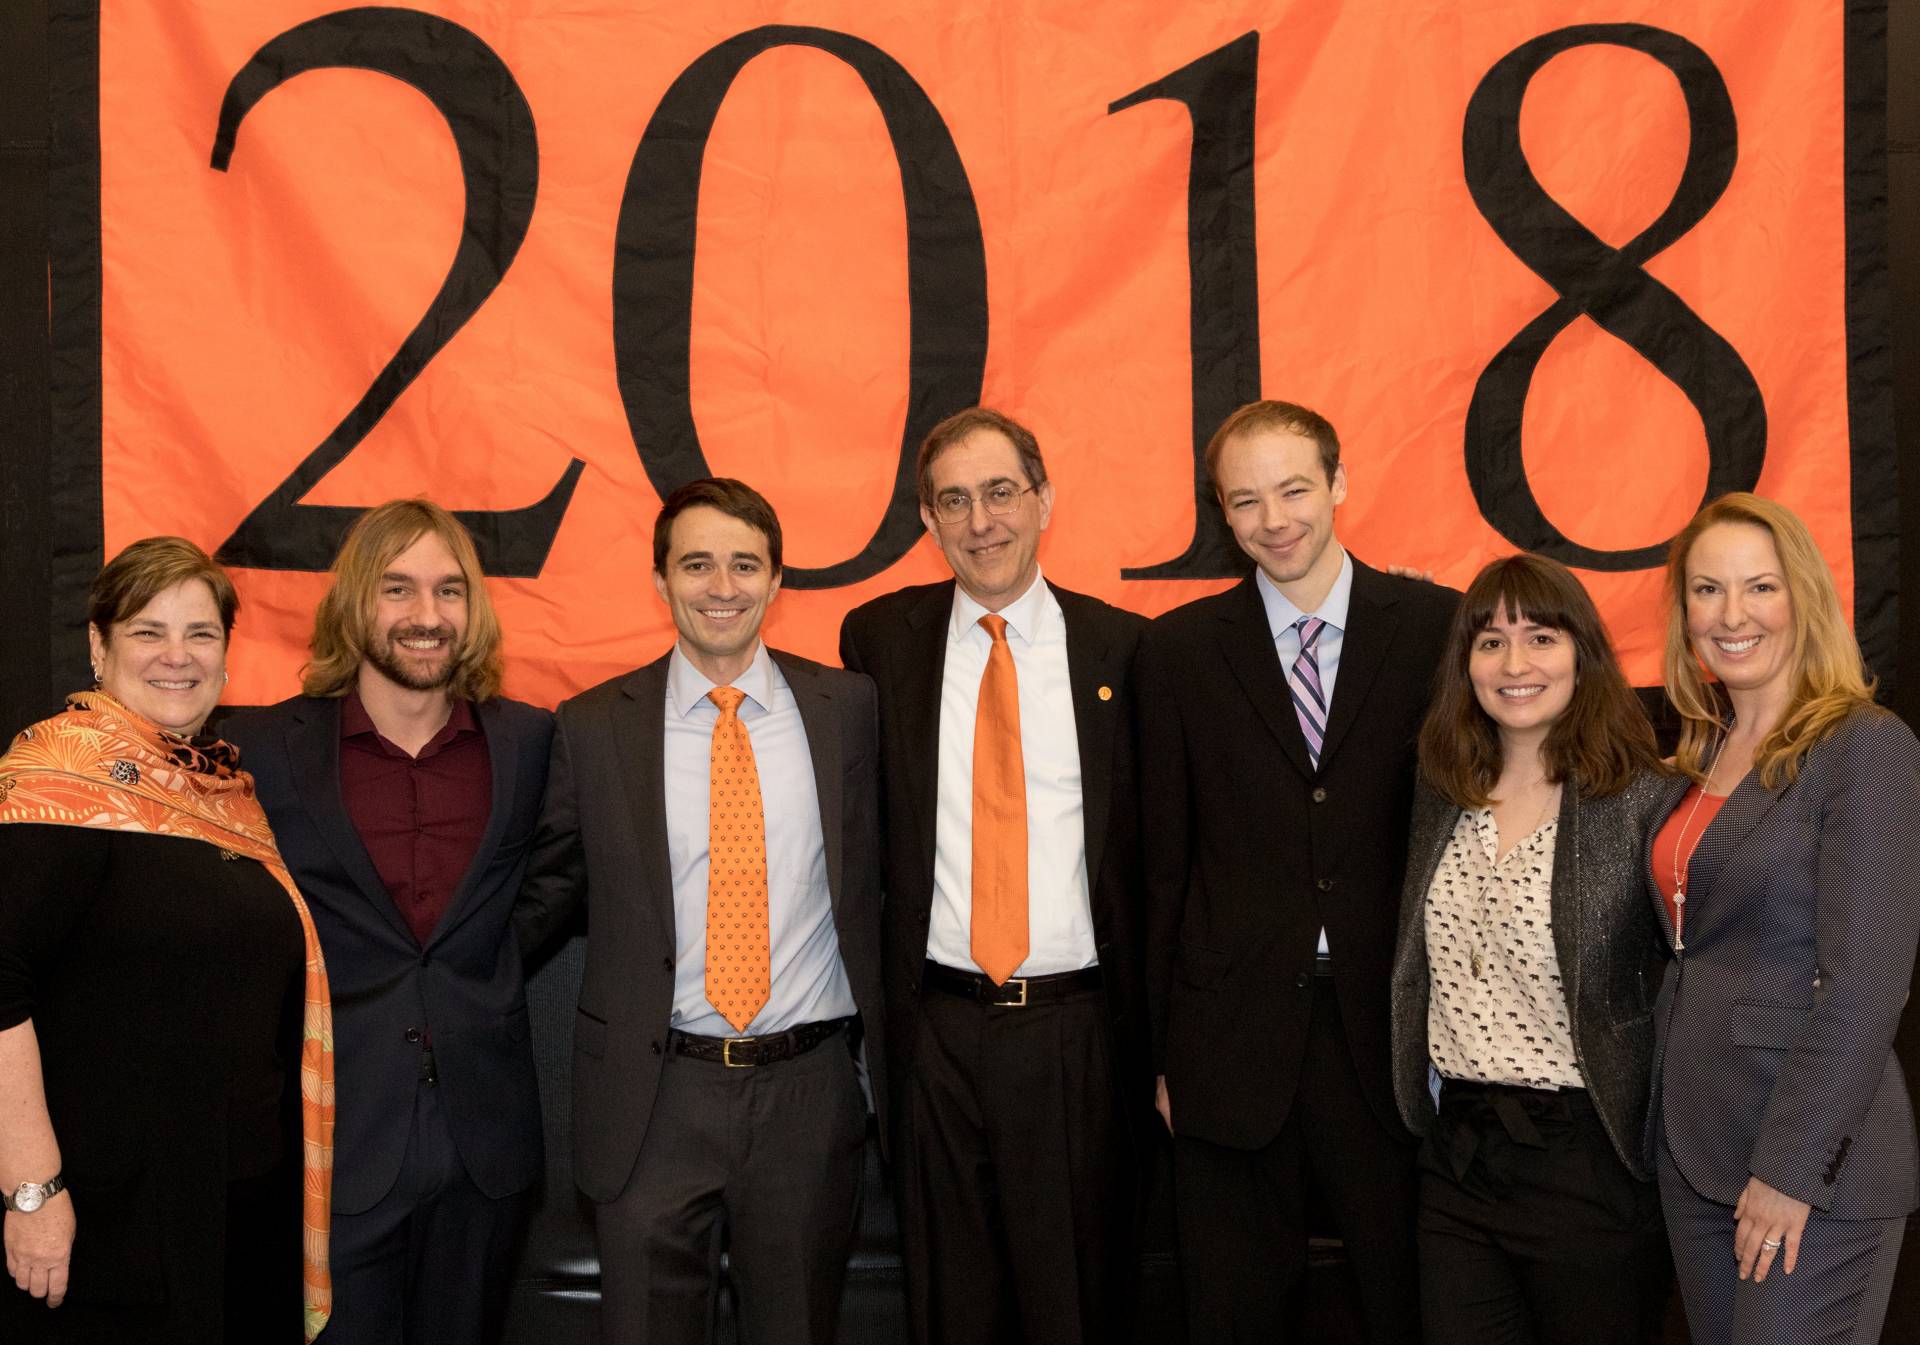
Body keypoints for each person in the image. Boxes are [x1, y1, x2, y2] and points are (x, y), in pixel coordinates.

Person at [515, 478, 884, 1344]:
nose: (723, 585)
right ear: (659, 580)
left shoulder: (849, 711)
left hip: (808, 1092)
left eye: (745, 564)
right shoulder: (594, 726)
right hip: (653, 1100)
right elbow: (543, 893)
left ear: (778, 580)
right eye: (697, 563)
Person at [1136, 399, 1456, 1343]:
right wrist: (1159, 1052)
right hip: (1226, 1041)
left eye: (1292, 489)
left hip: (1390, 1033)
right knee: (1232, 1307)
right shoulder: (1178, 652)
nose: (1274, 519)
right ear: (1223, 516)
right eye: (1245, 500)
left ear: (1338, 485)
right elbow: (1160, 863)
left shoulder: (1438, 625)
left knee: (1408, 1302)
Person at [839, 407, 1148, 1345]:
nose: (982, 522)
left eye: (1001, 492)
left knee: (1073, 1305)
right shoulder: (879, 641)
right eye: (955, 501)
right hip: (934, 1032)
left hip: (1076, 1031)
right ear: (928, 523)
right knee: (949, 1305)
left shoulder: (1126, 651)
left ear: (1044, 501)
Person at [222, 500, 552, 1345]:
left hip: (486, 1147)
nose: (427, 615)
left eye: (449, 591)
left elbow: (556, 884)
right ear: (354, 605)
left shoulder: (532, 744)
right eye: (398, 589)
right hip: (328, 1148)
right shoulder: (259, 748)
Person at [0, 536, 334, 1343]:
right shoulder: (52, 783)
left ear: (226, 651)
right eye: (149, 631)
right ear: (97, 644)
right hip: (107, 1221)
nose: (176, 657)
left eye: (201, 633)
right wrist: (32, 1192)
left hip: (238, 1205)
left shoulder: (224, 794)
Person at [1648, 492, 1920, 1345]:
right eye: (1707, 590)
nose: (1732, 615)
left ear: (1803, 596)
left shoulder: (1863, 746)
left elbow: (1867, 985)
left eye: (1759, 587)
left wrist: (1792, 1169)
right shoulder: (1698, 751)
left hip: (1807, 1167)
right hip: (1694, 1149)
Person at [1387, 553, 1671, 1343]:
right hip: (1458, 1161)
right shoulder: (1442, 788)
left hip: (1587, 1161)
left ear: (1582, 652)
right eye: (1490, 642)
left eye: (1540, 637)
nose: (1515, 664)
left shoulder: (1642, 798)